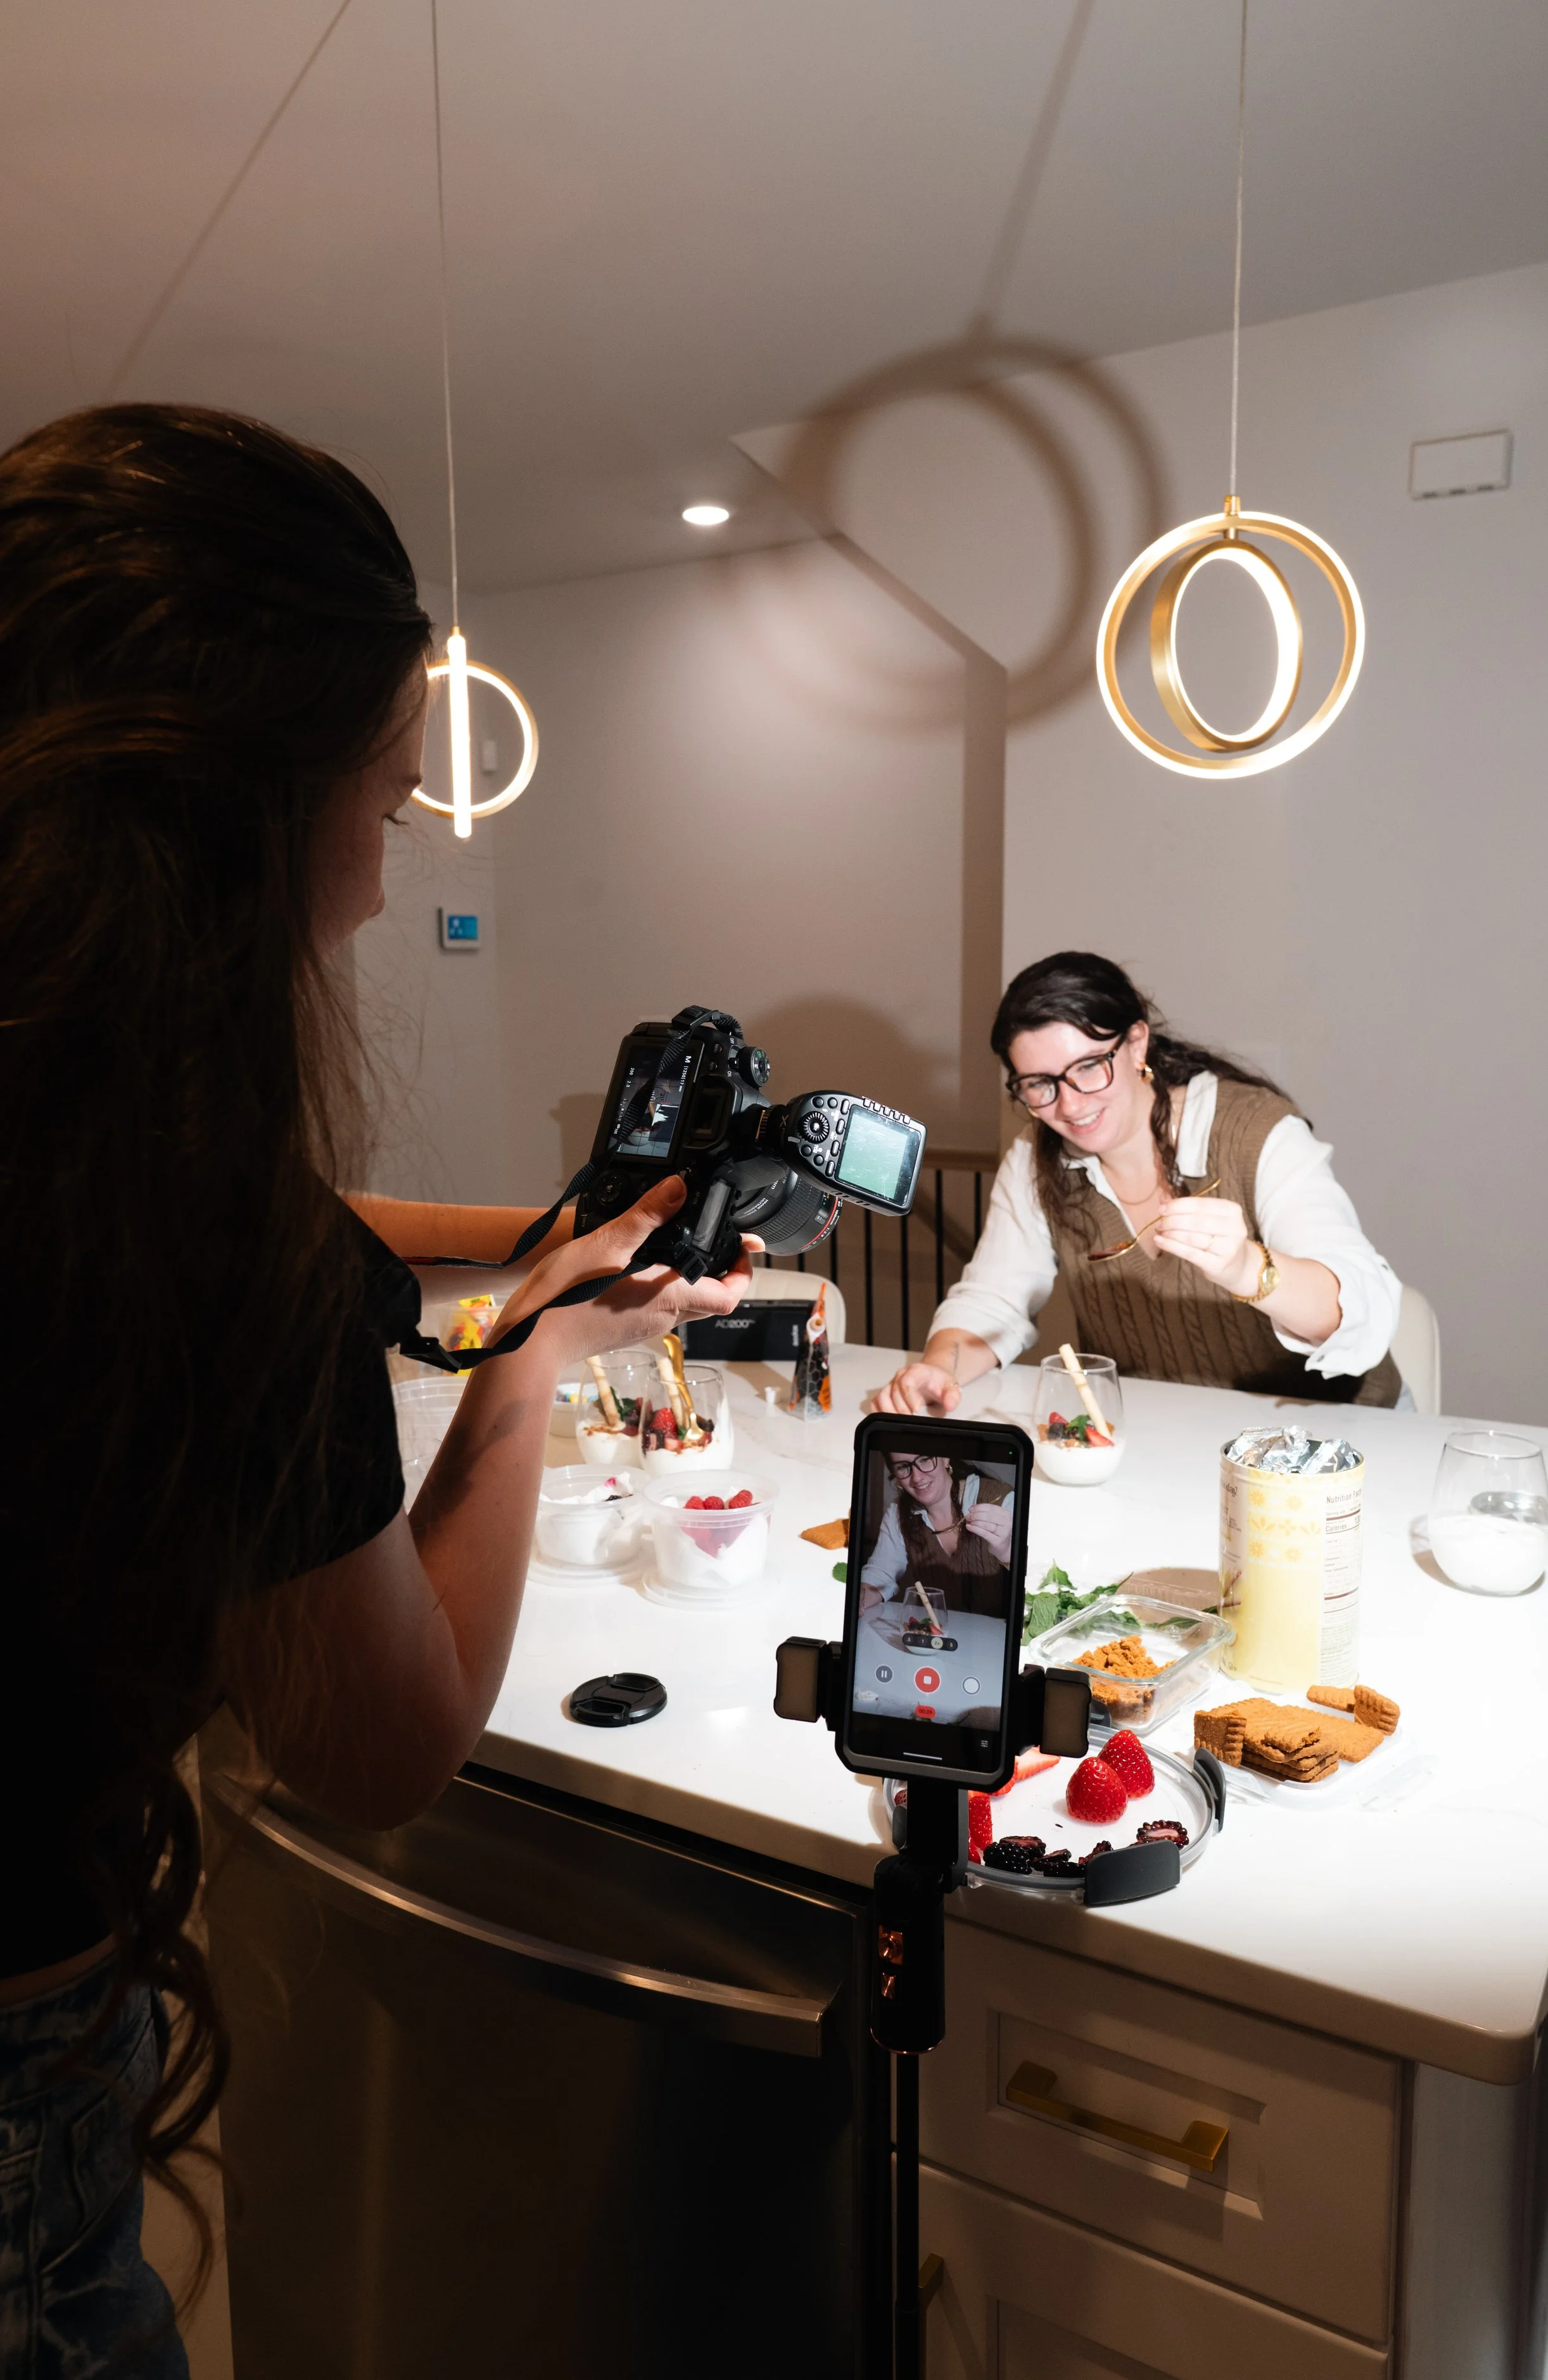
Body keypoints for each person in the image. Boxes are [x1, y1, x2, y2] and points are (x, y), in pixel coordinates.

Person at [0, 405, 753, 2377]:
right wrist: (530, 1365)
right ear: (244, 808)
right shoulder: (203, 1242)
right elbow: (377, 1743)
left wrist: (540, 1234)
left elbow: (278, 1218)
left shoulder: (78, 1120)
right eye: (391, 801)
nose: (372, 884)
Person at [879, 951, 1402, 1416]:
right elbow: (994, 1301)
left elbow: (1362, 1313)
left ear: (1135, 1044)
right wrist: (939, 1369)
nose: (1071, 1105)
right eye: (1039, 1083)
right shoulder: (1036, 1158)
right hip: (1169, 1438)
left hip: (1342, 1435)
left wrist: (1248, 1267)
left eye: (1089, 1066)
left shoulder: (1255, 1132)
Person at [859, 1453, 1015, 1619]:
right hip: (935, 1631)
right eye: (903, 1467)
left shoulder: (1000, 1498)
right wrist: (860, 1600)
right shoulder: (898, 1514)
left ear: (946, 1458)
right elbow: (881, 1575)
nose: (917, 1478)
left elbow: (1031, 1579)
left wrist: (1007, 1551)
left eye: (925, 1460)